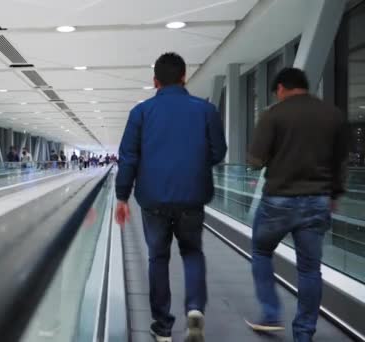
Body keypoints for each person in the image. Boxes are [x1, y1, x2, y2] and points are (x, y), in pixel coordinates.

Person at [115, 52, 227, 342]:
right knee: (192, 252)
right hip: (192, 197)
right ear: (183, 77)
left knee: (158, 258)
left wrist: (122, 197)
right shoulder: (205, 110)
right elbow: (218, 151)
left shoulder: (141, 113)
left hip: (153, 199)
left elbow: (128, 157)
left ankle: (163, 326)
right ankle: (194, 309)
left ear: (155, 81)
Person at [246, 68, 348, 341]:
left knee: (261, 251)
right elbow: (340, 162)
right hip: (317, 200)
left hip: (278, 198)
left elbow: (255, 160)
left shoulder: (273, 114)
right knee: (310, 269)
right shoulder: (333, 115)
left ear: (280, 88)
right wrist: (334, 195)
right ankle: (304, 333)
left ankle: (270, 314)